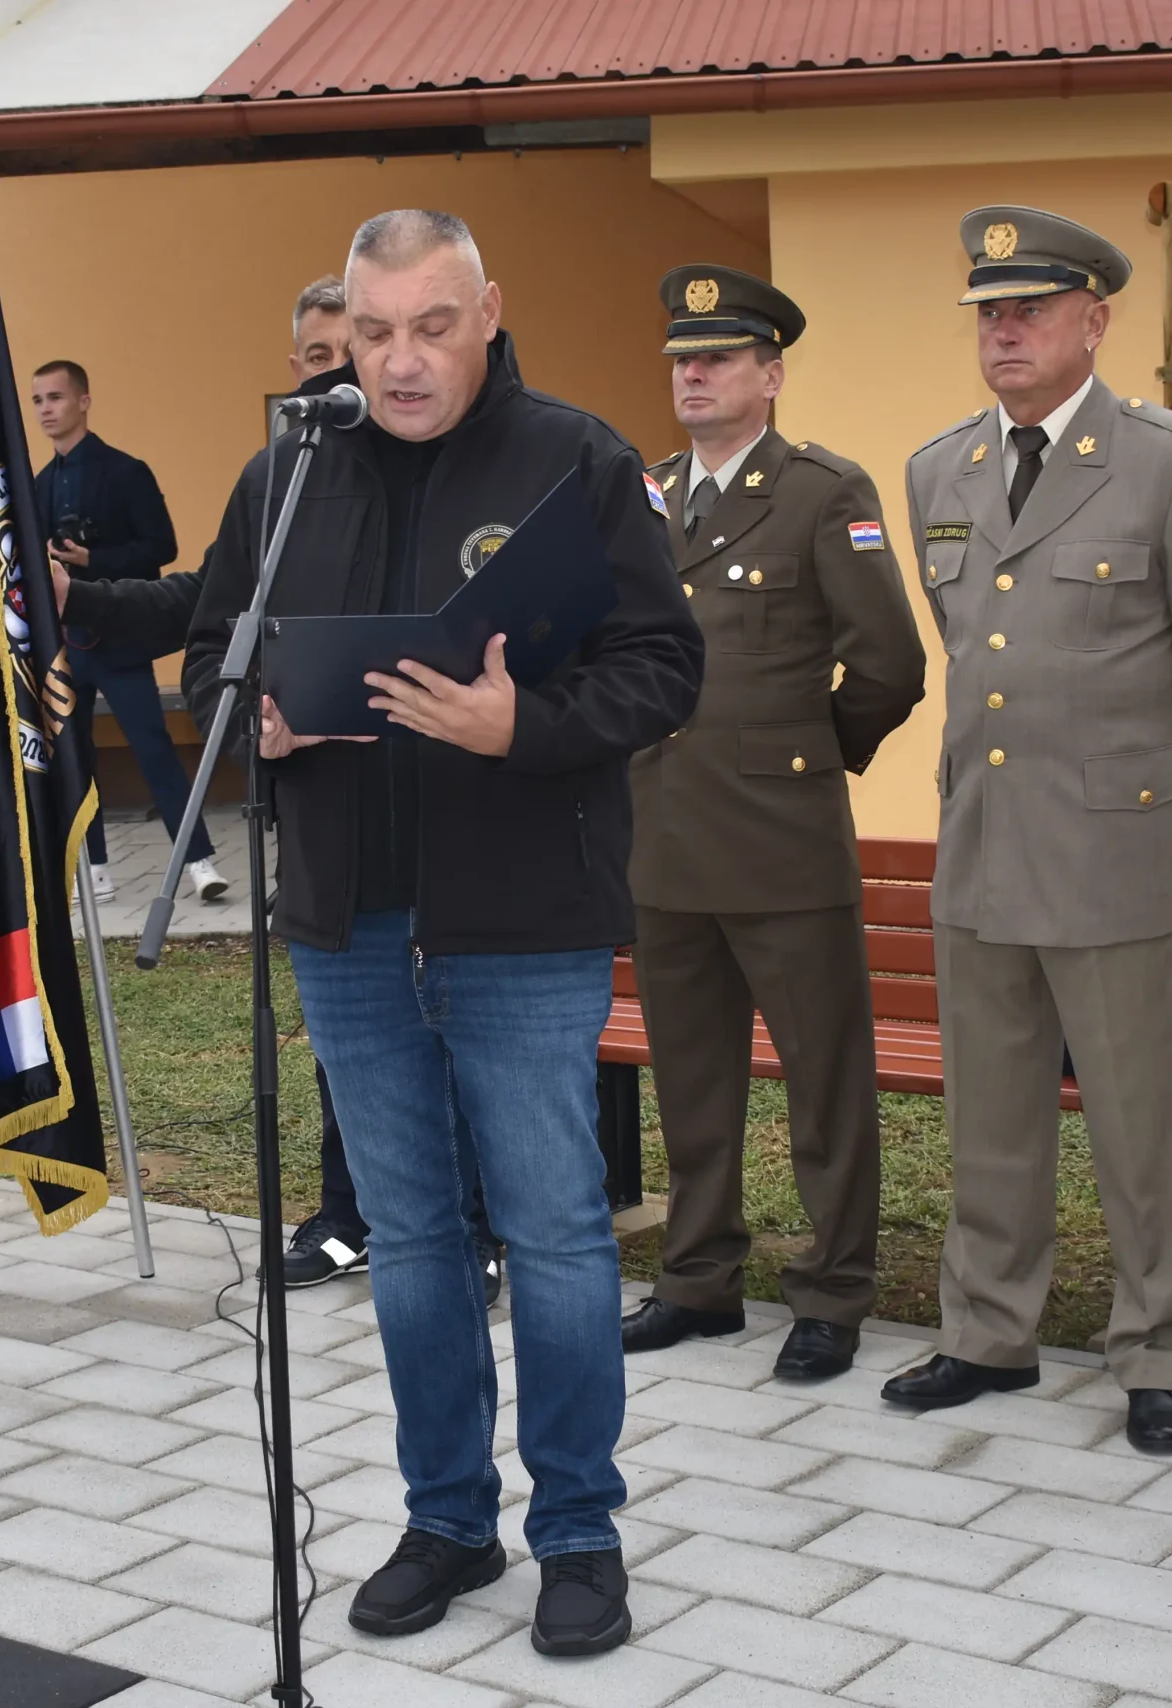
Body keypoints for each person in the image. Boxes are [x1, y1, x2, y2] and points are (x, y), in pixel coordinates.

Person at [184, 210, 700, 1656]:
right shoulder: (289, 470)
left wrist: (520, 724)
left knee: (553, 1231)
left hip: (521, 915)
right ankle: (448, 1520)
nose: (399, 360)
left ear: (487, 312)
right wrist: (257, 719)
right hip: (346, 916)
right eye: (373, 331)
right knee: (407, 1234)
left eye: (430, 325)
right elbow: (212, 649)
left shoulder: (576, 461)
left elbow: (665, 667)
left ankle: (579, 1532)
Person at [885, 207, 1172, 1456]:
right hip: (982, 838)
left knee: (1140, 1118)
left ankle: (1160, 1351)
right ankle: (987, 1333)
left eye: (1029, 311)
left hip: (1110, 846)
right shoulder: (938, 469)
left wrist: (1128, 780)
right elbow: (972, 644)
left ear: (1093, 321)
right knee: (989, 1113)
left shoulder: (1170, 461)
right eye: (988, 313)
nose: (1004, 332)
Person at [51, 280, 505, 1305]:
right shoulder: (289, 479)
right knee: (354, 1042)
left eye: (350, 351)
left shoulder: (441, 473)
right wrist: (91, 602)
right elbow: (214, 605)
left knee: (450, 1037)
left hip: (452, 822)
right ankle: (351, 1213)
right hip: (329, 825)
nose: (336, 373)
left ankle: (473, 1228)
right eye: (315, 357)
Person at [620, 265, 925, 1381]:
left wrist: (806, 752)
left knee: (823, 1081)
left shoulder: (820, 492)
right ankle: (697, 1277)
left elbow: (888, 663)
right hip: (663, 833)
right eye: (681, 360)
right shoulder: (645, 495)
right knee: (691, 1075)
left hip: (782, 838)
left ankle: (833, 1291)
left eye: (717, 358)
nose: (692, 376)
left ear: (771, 375)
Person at [29, 359, 227, 906]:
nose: (46, 410)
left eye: (55, 397)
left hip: (119, 638)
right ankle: (92, 868)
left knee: (153, 747)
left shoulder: (126, 471)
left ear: (84, 401)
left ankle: (198, 861)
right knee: (73, 756)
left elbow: (161, 548)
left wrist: (92, 559)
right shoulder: (37, 485)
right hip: (64, 645)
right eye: (38, 400)